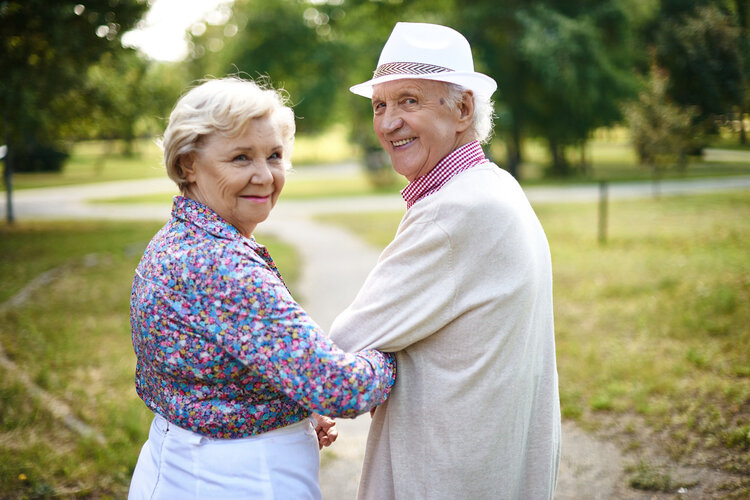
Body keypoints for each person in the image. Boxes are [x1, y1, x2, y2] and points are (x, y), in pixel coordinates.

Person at [128, 76, 396, 500]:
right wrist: (397, 355)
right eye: (240, 157)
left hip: (177, 464)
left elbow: (217, 370)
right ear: (187, 166)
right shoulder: (219, 264)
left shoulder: (178, 238)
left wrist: (295, 406)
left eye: (274, 155)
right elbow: (341, 387)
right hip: (241, 478)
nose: (264, 176)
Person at [329, 22, 561, 499]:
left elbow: (346, 345)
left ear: (462, 109)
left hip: (449, 477)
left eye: (409, 100)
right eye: (380, 104)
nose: (388, 122)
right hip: (491, 468)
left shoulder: (454, 211)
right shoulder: (496, 185)